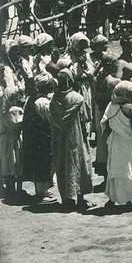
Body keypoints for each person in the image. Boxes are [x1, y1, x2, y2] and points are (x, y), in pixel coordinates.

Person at [102, 80, 132, 211]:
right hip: (130, 144)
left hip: (116, 142)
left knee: (116, 171)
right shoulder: (131, 108)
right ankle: (128, 200)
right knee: (130, 170)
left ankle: (112, 200)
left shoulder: (110, 106)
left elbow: (106, 125)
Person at [49, 69, 93, 211]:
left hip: (59, 138)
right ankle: (80, 199)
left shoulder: (53, 100)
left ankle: (67, 199)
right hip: (75, 137)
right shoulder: (77, 98)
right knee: (78, 163)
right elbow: (87, 117)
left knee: (62, 165)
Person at [22, 73, 56, 202]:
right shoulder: (43, 102)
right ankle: (41, 194)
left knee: (38, 163)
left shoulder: (31, 99)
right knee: (43, 163)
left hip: (33, 138)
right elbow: (51, 120)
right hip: (42, 139)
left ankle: (42, 190)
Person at [0, 86, 25, 200]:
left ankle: (10, 189)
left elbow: (2, 129)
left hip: (7, 141)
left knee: (10, 164)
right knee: (19, 164)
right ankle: (19, 189)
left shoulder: (4, 114)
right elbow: (21, 124)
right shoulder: (18, 110)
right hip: (17, 139)